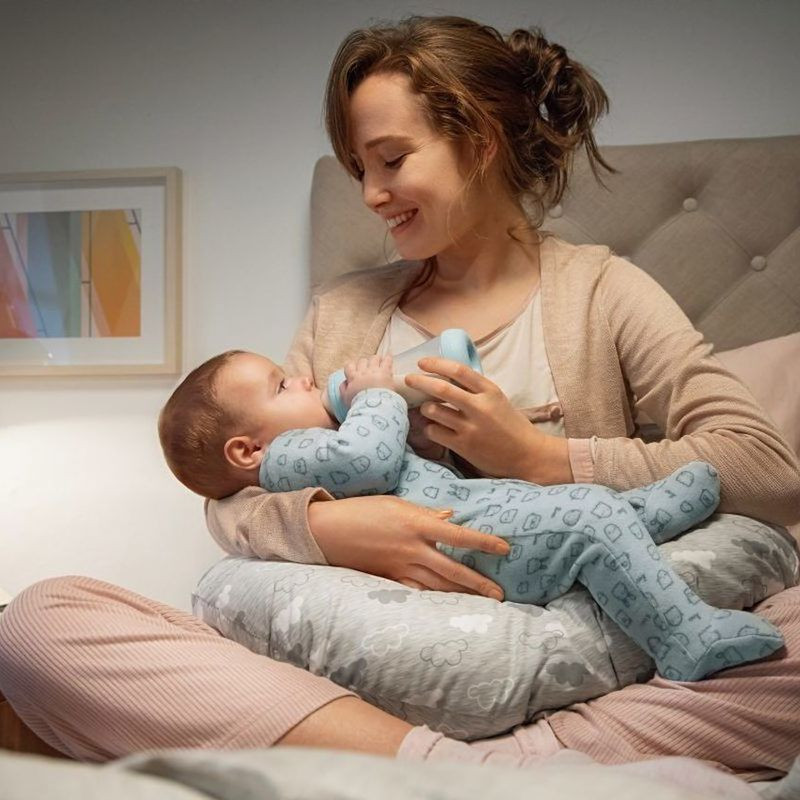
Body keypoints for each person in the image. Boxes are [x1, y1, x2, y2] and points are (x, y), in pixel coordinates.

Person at [1, 15, 799, 779]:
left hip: (581, 655)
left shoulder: (602, 293)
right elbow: (236, 495)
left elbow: (768, 469)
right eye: (359, 170)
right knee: (41, 623)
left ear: (479, 143)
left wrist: (540, 457)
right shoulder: (344, 314)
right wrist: (334, 527)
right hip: (387, 664)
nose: (371, 194)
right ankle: (504, 768)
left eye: (390, 160)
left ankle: (459, 764)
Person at [158, 348, 781, 682]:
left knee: (556, 506)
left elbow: (385, 462)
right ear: (247, 451)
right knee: (582, 514)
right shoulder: (288, 454)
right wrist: (374, 396)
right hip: (458, 541)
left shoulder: (299, 443)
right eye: (280, 385)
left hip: (472, 507)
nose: (303, 379)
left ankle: (637, 514)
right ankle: (682, 636)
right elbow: (368, 460)